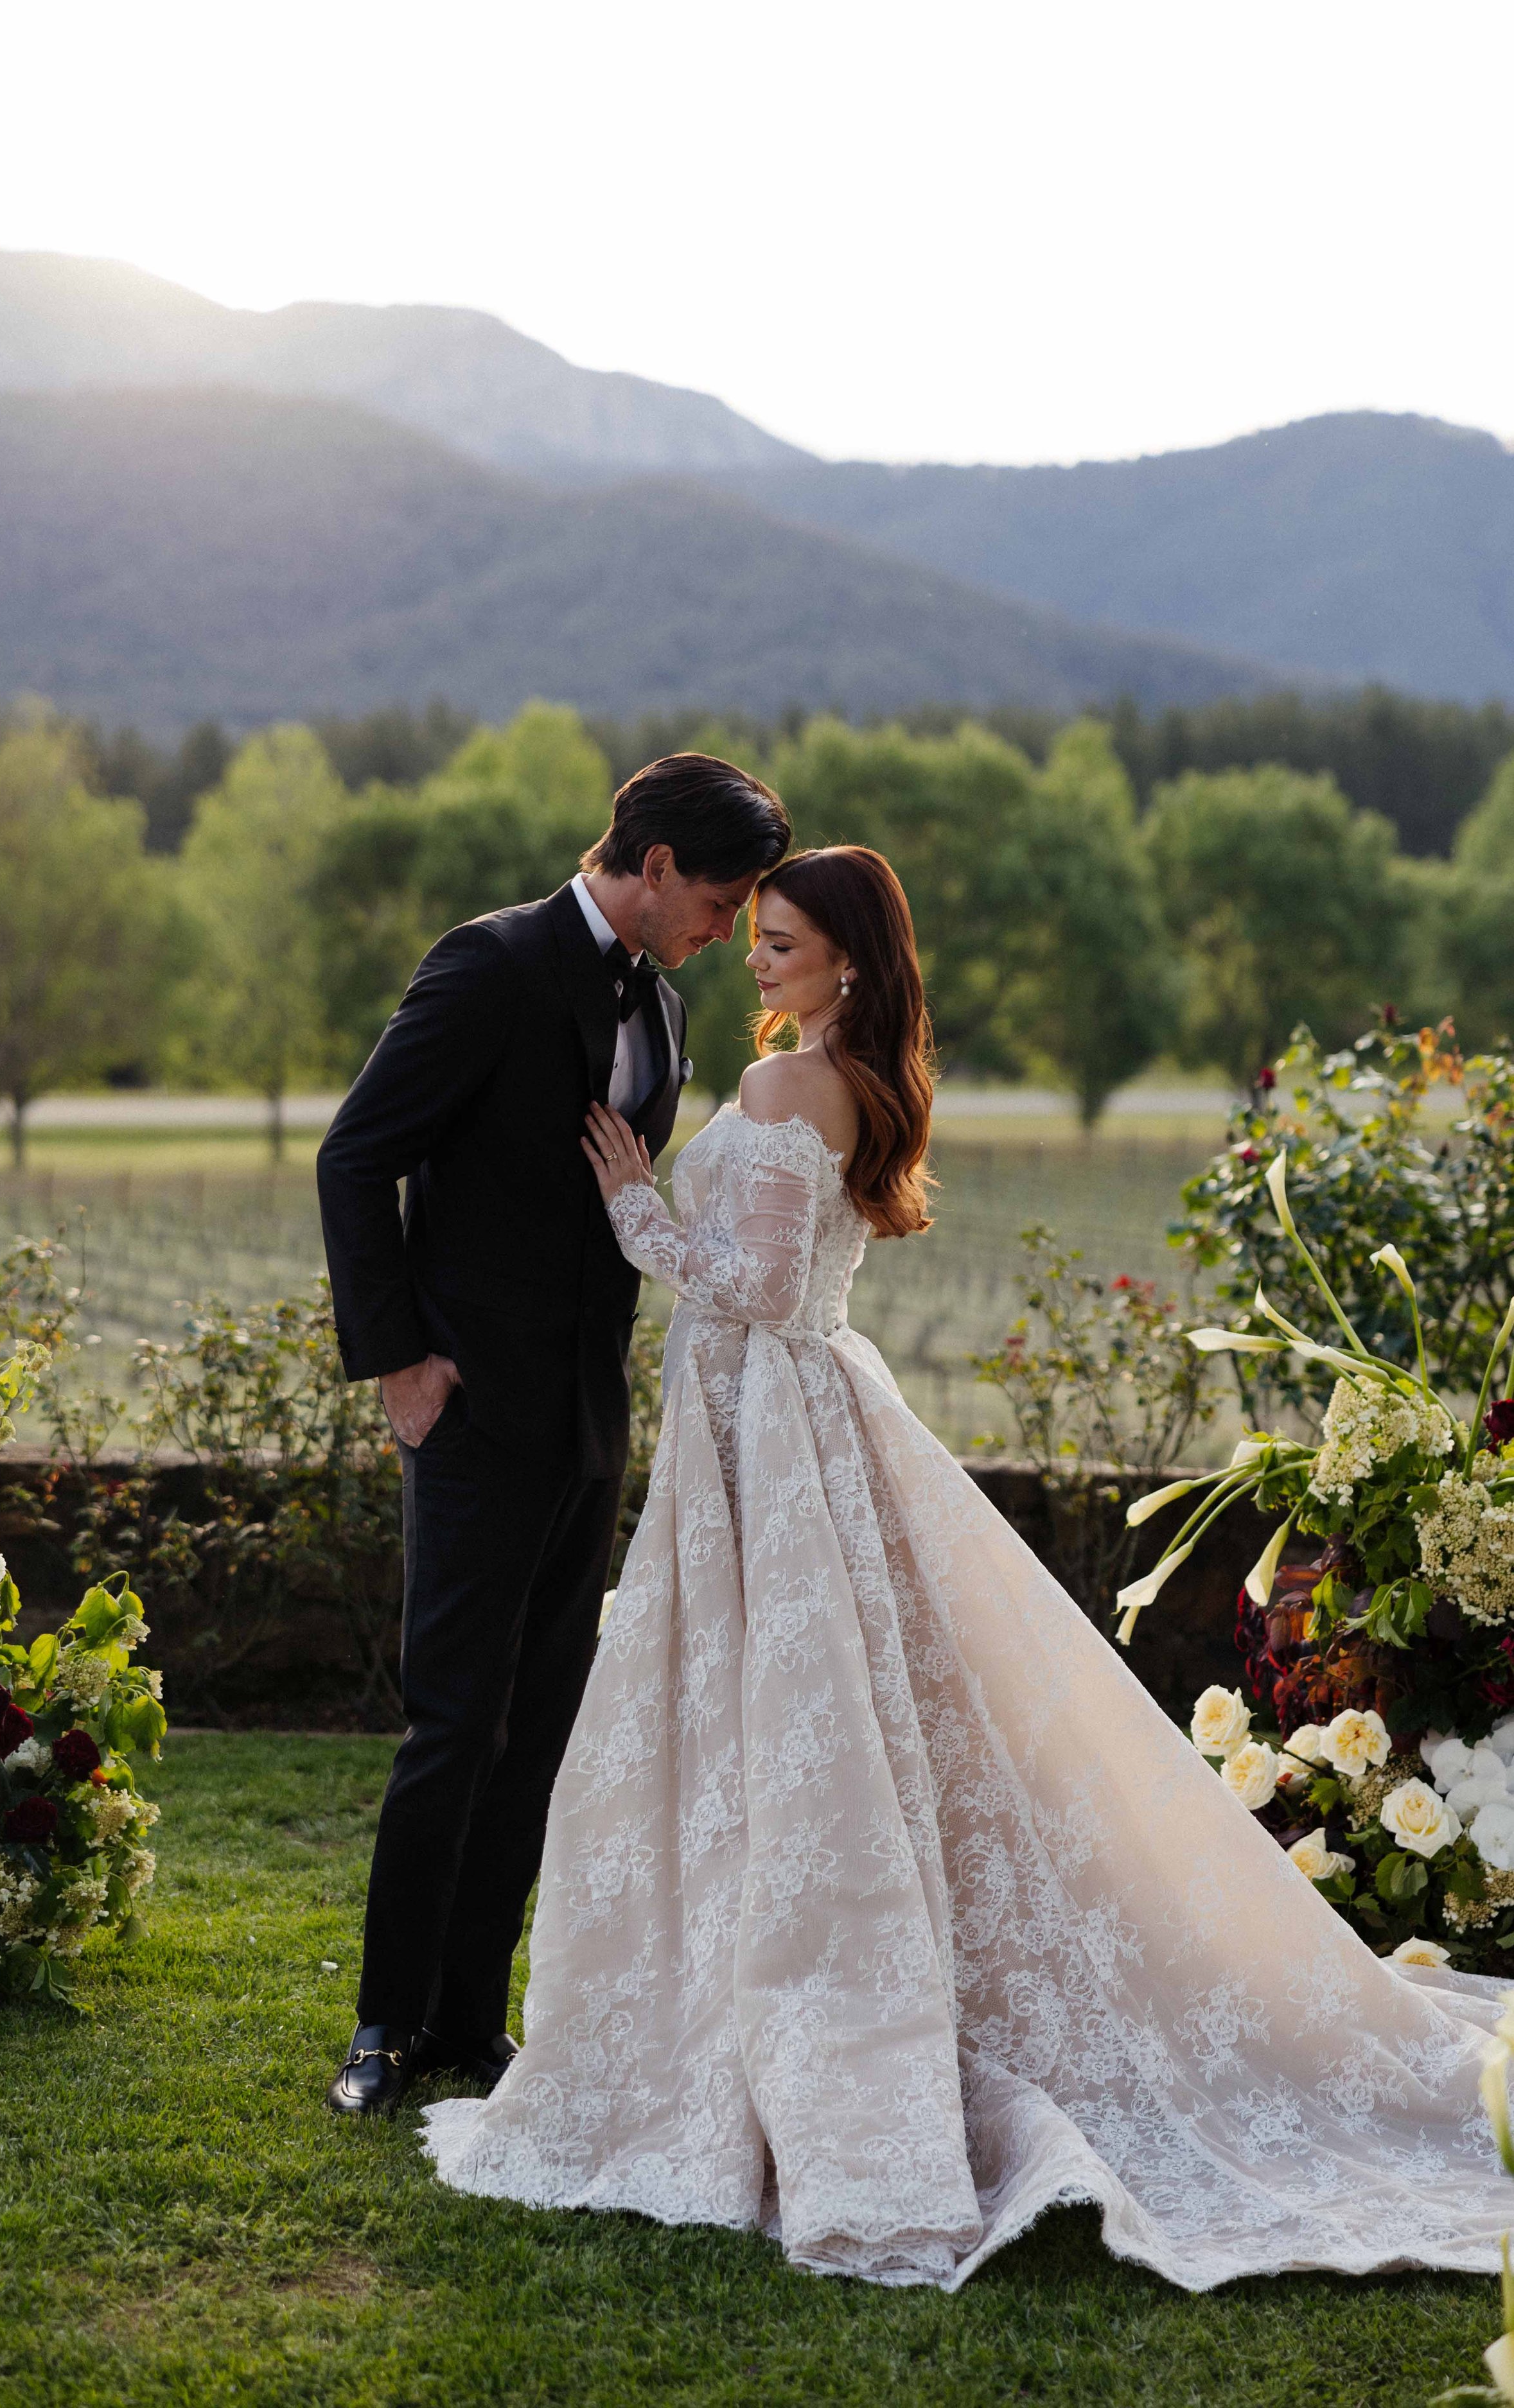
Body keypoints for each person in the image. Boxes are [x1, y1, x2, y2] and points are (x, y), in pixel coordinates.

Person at [421, 844, 1514, 2290]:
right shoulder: (861, 1086)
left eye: (783, 942)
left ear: (850, 964)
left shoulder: (780, 1088)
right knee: (841, 1710)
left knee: (777, 1710)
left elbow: (749, 1289)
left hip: (772, 1423)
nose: (755, 958)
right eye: (753, 937)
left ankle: (785, 2020)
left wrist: (634, 1206)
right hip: (800, 1412)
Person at [315, 753, 791, 2115]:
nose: (723, 926)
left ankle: (469, 2023)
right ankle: (381, 2027)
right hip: (470, 1411)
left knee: (535, 1734)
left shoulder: (667, 999)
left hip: (587, 1416)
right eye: (712, 898)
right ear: (648, 868)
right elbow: (356, 1155)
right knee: (453, 1724)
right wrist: (398, 1360)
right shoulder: (490, 965)